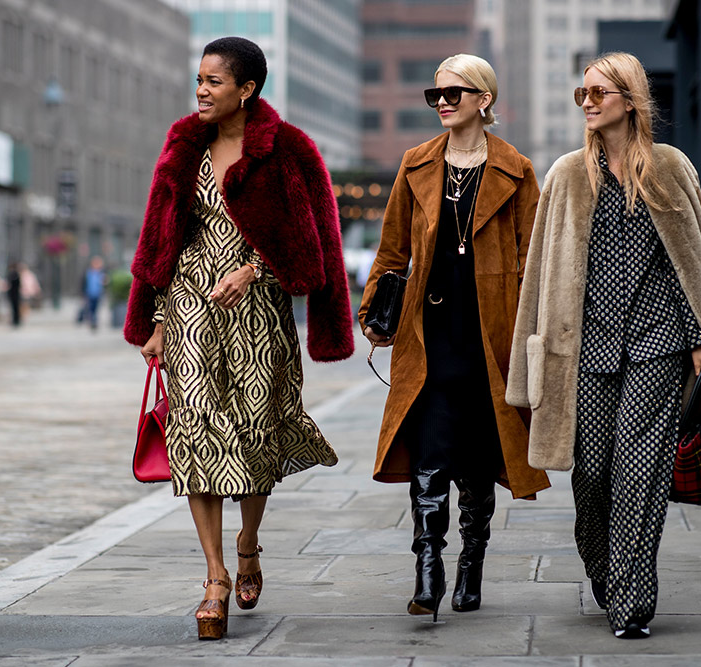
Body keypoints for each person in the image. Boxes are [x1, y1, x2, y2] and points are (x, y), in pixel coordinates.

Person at [506, 52, 701, 639]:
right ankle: (607, 571)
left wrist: (700, 341)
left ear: (630, 100)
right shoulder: (565, 174)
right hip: (582, 350)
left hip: (658, 344)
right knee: (590, 477)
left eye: (598, 92)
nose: (587, 101)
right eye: (581, 93)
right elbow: (539, 275)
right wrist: (524, 368)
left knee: (640, 471)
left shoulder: (669, 167)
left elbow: (692, 262)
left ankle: (632, 600)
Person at [123, 37, 354, 641]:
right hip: (190, 306)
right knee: (195, 432)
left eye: (214, 81)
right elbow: (157, 234)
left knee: (253, 434)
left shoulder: (287, 150)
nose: (201, 90)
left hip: (259, 310)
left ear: (246, 89)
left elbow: (316, 241)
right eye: (198, 80)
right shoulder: (183, 145)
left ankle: (248, 544)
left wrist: (256, 270)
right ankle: (215, 577)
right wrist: (149, 320)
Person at [358, 53, 550, 622]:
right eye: (434, 95)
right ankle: (428, 566)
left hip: (492, 335)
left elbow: (533, 260)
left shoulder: (517, 169)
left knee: (479, 457)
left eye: (453, 93)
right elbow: (393, 249)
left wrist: (534, 333)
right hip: (429, 332)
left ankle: (471, 563)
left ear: (483, 100)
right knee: (431, 451)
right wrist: (376, 307)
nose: (441, 102)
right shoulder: (416, 164)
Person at [83, 256, 106, 330]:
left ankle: (94, 322)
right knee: (90, 309)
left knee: (96, 309)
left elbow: (105, 284)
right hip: (89, 294)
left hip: (98, 294)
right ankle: (92, 322)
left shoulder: (102, 273)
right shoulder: (88, 272)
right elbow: (83, 283)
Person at [6, 262, 21, 327]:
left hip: (15, 293)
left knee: (15, 307)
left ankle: (16, 320)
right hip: (13, 294)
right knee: (13, 308)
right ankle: (15, 320)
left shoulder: (15, 274)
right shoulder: (11, 275)